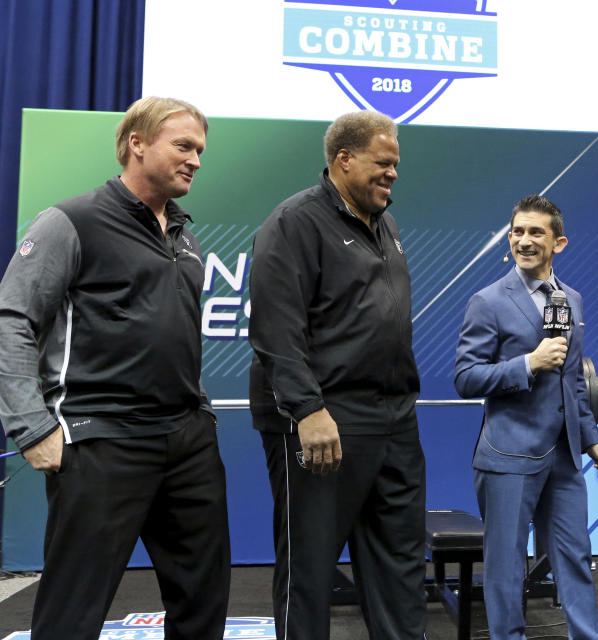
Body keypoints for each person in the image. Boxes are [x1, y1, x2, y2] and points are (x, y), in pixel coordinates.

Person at [0, 97, 230, 639]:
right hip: (102, 438)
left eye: (199, 150)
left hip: (187, 441)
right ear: (136, 143)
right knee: (71, 611)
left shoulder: (185, 235)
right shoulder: (70, 222)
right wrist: (31, 426)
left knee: (203, 600)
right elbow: (11, 322)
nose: (195, 159)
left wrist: (199, 414)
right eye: (183, 146)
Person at [248, 111, 424, 640]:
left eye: (396, 164)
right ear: (343, 159)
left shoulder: (385, 222)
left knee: (400, 565)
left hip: (393, 421)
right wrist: (308, 409)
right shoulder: (294, 222)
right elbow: (276, 329)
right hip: (324, 419)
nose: (393, 173)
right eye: (383, 162)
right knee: (311, 570)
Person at [454, 195, 598, 640]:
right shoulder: (487, 301)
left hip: (563, 456)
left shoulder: (573, 301)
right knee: (506, 566)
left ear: (558, 242)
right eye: (518, 232)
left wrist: (592, 440)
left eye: (535, 233)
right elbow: (466, 378)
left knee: (575, 556)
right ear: (509, 239)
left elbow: (575, 385)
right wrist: (528, 363)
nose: (524, 241)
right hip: (508, 453)